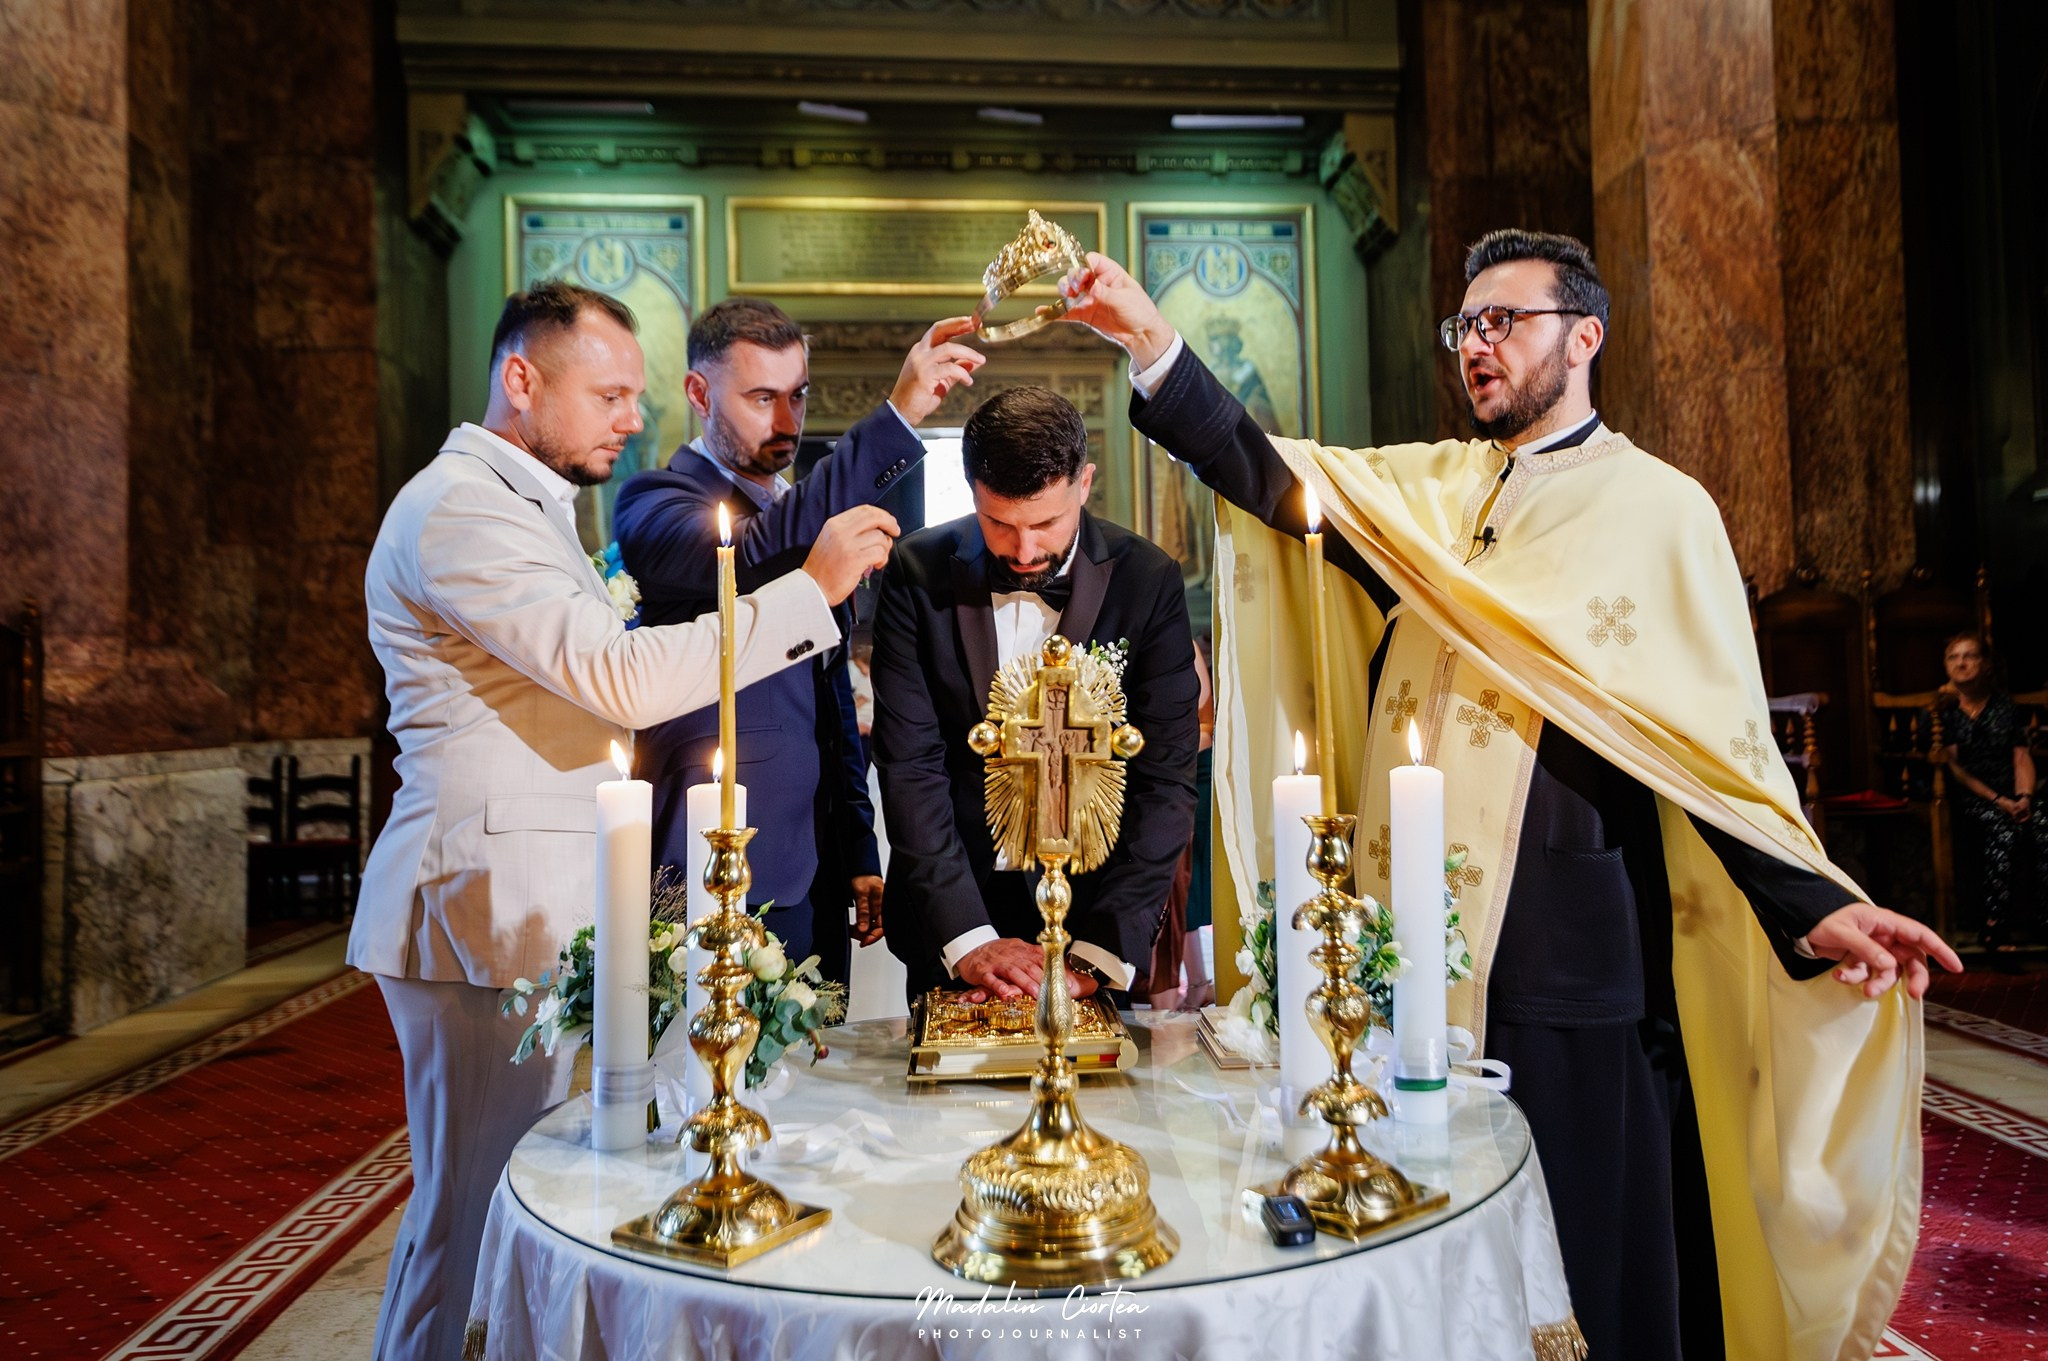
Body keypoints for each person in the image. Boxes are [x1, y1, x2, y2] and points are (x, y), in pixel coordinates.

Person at [1056, 231, 1961, 1361]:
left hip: (1566, 946)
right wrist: (1149, 341)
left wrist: (1813, 905)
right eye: (1465, 326)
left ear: (1584, 337)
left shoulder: (1659, 508)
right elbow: (1268, 475)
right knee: (1426, 1236)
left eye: (1504, 321)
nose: (1475, 346)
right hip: (1411, 942)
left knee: (1584, 1250)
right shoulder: (1431, 490)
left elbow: (1712, 749)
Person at [350, 280, 896, 1361]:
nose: (633, 417)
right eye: (607, 395)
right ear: (521, 379)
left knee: (520, 1204)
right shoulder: (460, 507)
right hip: (482, 906)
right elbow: (617, 676)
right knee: (470, 1215)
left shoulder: (523, 503)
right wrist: (809, 592)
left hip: (528, 903)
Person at [612, 300, 984, 980]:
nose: (787, 421)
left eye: (798, 395)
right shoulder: (654, 503)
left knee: (820, 1052)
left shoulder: (801, 510)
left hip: (817, 866)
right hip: (713, 868)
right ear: (699, 393)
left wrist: (858, 847)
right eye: (762, 398)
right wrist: (898, 416)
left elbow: (831, 694)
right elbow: (753, 551)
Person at [871, 385, 1199, 1004]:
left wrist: (1098, 952)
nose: (1024, 551)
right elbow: (911, 768)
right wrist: (970, 940)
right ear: (971, 490)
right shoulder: (917, 571)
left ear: (1085, 483)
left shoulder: (1147, 580)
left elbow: (1164, 782)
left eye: (1046, 523)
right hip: (954, 927)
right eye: (1000, 523)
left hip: (1092, 925)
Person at [1936, 630, 2044, 954]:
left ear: (1986, 664)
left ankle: (2042, 920)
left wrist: (2024, 797)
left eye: (1970, 656)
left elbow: (2021, 756)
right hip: (1969, 796)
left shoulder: (2004, 707)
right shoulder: (1943, 711)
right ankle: (1994, 926)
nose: (1961, 663)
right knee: (2003, 828)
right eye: (1954, 657)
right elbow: (1956, 770)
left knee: (2042, 824)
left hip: (2010, 793)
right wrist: (1999, 801)